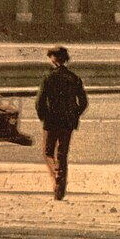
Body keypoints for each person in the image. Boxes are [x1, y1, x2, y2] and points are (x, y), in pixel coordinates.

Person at [34, 45, 89, 201]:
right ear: (65, 60)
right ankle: (60, 191)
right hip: (68, 121)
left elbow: (39, 101)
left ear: (53, 59)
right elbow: (83, 102)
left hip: (51, 120)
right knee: (62, 153)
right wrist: (74, 115)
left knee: (48, 152)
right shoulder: (74, 77)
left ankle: (56, 173)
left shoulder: (48, 77)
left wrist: (43, 117)